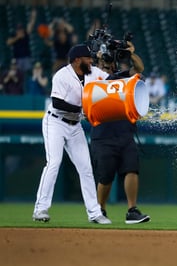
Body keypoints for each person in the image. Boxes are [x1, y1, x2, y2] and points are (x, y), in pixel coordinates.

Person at [32, 44, 111, 224]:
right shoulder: (62, 75)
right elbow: (57, 103)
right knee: (54, 163)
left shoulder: (92, 73)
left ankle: (95, 213)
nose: (91, 61)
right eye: (88, 58)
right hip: (55, 123)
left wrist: (125, 77)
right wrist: (83, 109)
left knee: (85, 168)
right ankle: (40, 209)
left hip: (75, 126)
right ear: (77, 60)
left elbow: (111, 79)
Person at [89, 41, 150, 224]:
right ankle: (100, 209)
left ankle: (132, 210)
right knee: (106, 176)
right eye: (102, 64)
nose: (106, 66)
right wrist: (98, 59)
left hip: (124, 131)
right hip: (103, 134)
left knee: (132, 169)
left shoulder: (121, 77)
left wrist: (130, 53)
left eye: (108, 64)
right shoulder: (92, 78)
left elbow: (139, 68)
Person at [6, 9, 37, 75]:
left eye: (21, 29)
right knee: (18, 74)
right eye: (18, 29)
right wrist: (17, 37)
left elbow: (31, 25)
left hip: (26, 57)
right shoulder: (14, 35)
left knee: (28, 73)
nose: (20, 30)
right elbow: (8, 42)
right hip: (17, 58)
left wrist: (33, 16)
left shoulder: (25, 34)